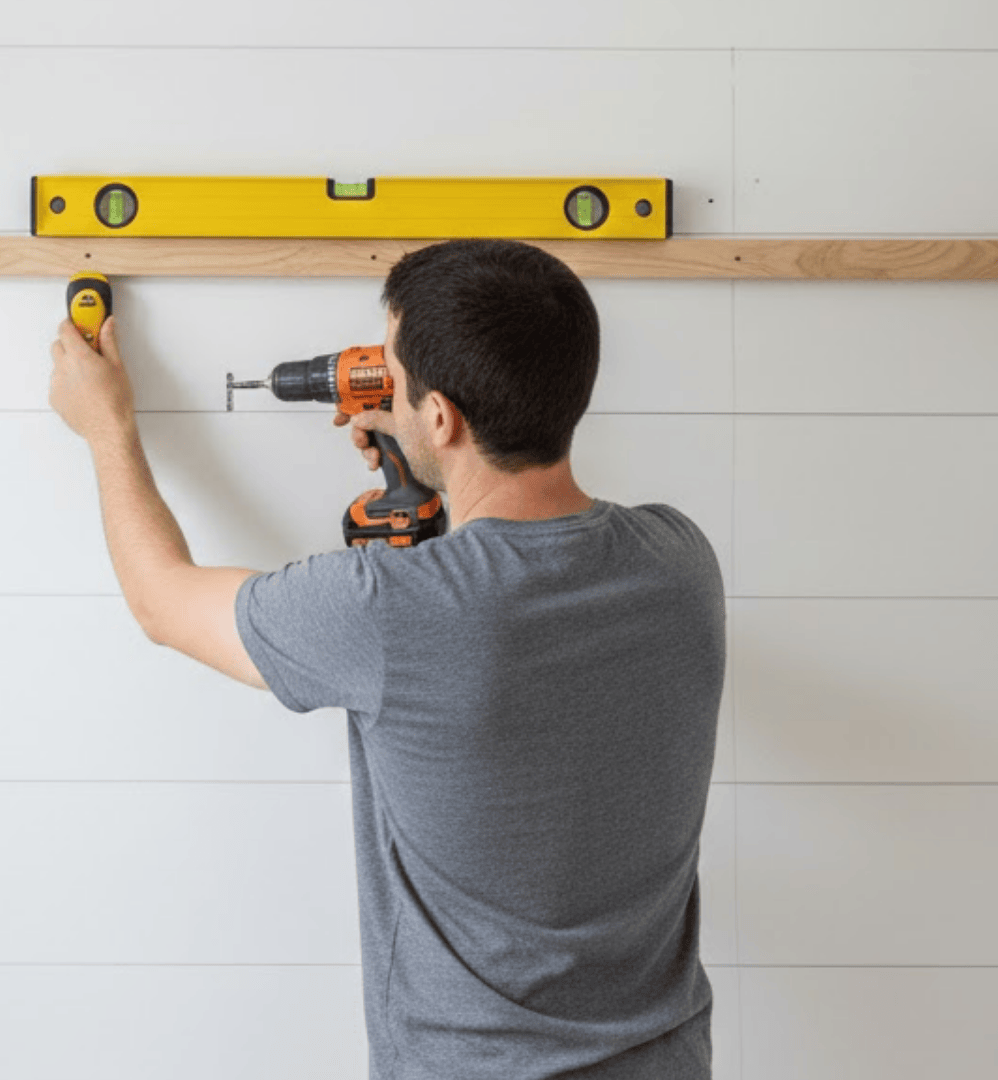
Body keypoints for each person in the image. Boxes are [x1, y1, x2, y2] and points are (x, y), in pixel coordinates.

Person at [46, 237, 724, 1079]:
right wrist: (442, 490)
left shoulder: (386, 608)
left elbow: (161, 599)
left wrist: (105, 427)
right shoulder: (681, 559)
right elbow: (510, 611)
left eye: (394, 378)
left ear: (441, 418)